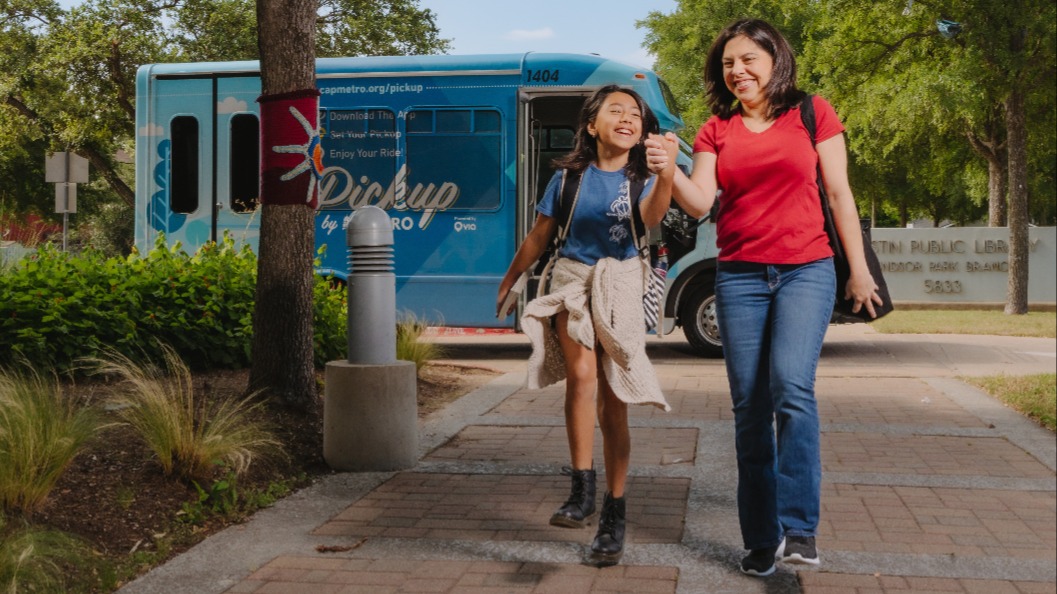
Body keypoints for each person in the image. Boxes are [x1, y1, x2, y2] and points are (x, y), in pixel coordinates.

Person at [645, 19, 883, 576]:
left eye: (750, 58)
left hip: (807, 268)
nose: (739, 70)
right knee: (750, 407)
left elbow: (838, 191)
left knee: (791, 388)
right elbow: (701, 202)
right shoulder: (715, 131)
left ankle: (799, 529)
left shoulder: (812, 113)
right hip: (740, 276)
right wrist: (667, 167)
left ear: (775, 59)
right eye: (729, 63)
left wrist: (860, 272)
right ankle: (760, 536)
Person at [496, 84, 673, 567]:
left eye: (635, 113)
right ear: (592, 125)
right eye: (615, 110)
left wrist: (667, 174)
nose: (627, 117)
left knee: (614, 401)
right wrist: (512, 279)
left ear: (641, 130)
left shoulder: (645, 177)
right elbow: (540, 236)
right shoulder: (569, 180)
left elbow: (652, 218)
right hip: (572, 282)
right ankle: (581, 490)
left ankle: (615, 511)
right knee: (581, 378)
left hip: (620, 286)